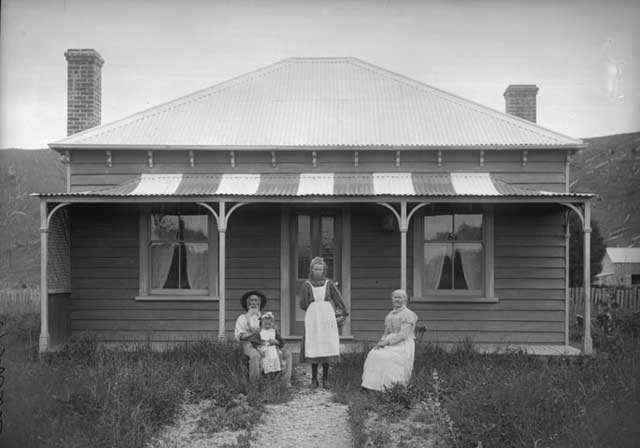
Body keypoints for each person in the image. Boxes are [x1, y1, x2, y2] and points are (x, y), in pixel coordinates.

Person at [299, 257, 349, 389]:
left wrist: (342, 311)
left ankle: (326, 378)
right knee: (314, 343)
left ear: (324, 270)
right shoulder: (306, 284)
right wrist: (314, 307)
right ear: (311, 269)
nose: (318, 271)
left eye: (320, 269)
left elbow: (337, 298)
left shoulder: (329, 283)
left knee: (327, 343)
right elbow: (303, 304)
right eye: (316, 269)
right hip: (313, 316)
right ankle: (314, 379)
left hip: (327, 315)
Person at [361, 289, 418, 391]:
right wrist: (381, 342)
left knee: (387, 358)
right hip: (389, 341)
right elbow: (386, 332)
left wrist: (387, 342)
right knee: (373, 354)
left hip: (402, 344)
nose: (397, 299)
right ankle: (371, 386)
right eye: (395, 297)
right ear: (392, 299)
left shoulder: (408, 314)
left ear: (405, 300)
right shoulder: (390, 315)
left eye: (400, 297)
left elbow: (403, 334)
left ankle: (392, 387)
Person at [234, 290, 292, 386]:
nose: (254, 303)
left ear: (260, 303)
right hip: (248, 343)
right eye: (251, 300)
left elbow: (274, 332)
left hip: (266, 343)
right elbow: (240, 336)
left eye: (256, 300)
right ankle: (255, 384)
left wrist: (275, 340)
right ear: (247, 303)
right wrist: (253, 333)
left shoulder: (265, 317)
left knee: (287, 354)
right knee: (256, 356)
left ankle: (284, 383)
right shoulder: (242, 318)